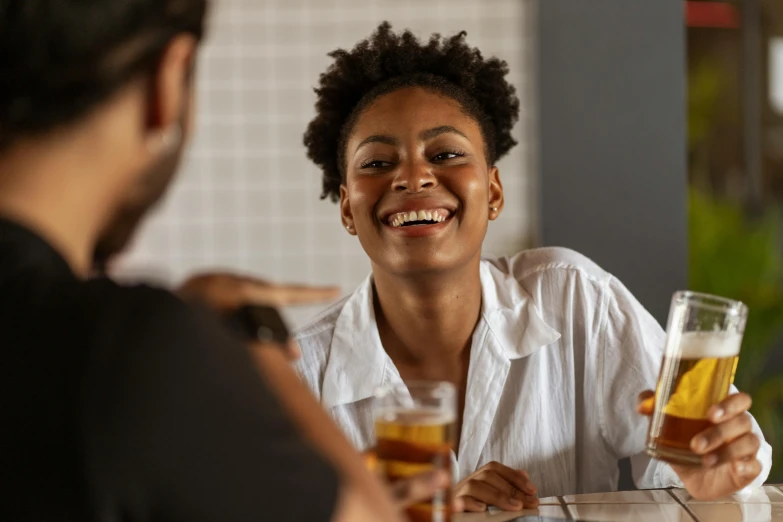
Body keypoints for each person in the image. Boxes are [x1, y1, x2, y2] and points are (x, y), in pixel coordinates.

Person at [295, 22, 773, 512]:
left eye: (445, 154)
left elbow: (713, 462)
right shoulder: (301, 378)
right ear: (348, 209)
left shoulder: (573, 300)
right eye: (376, 163)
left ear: (494, 192)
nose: (413, 176)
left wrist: (716, 480)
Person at [0, 2, 445, 521]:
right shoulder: (129, 349)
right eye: (377, 163)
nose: (413, 179)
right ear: (168, 79)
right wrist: (248, 334)